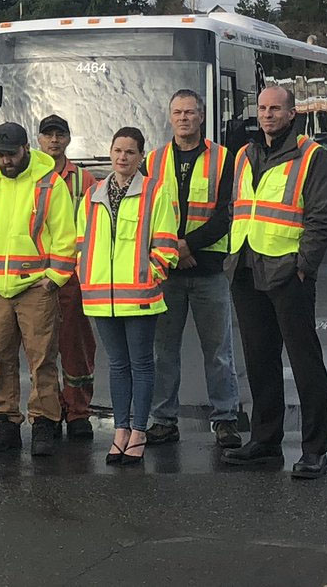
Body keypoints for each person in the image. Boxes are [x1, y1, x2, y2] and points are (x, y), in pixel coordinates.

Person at [221, 85, 327, 479]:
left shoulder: (312, 156)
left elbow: (324, 217)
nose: (268, 115)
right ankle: (265, 441)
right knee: (260, 361)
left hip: (288, 273)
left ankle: (314, 451)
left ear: (292, 114)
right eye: (263, 108)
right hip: (246, 267)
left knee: (305, 363)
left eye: (276, 109)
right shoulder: (245, 154)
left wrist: (304, 265)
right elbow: (234, 207)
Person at [0, 122, 76, 456]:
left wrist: (55, 278)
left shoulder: (49, 184)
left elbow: (65, 235)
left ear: (26, 148)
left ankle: (44, 423)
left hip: (35, 287)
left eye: (11, 154)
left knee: (42, 358)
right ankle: (6, 422)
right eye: (0, 155)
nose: (6, 161)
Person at [143, 90, 242, 450]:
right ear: (169, 117)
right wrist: (174, 250)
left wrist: (187, 245)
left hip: (209, 272)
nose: (184, 118)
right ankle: (164, 420)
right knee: (163, 351)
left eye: (190, 112)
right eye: (177, 112)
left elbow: (226, 213)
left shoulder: (224, 158)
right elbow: (146, 217)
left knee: (218, 351)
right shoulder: (152, 161)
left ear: (202, 117)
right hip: (167, 273)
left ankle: (226, 419)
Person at [76, 127, 179, 465]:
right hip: (101, 296)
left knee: (141, 363)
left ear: (140, 156)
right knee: (117, 365)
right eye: (118, 151)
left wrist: (153, 274)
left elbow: (165, 243)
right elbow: (81, 242)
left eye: (130, 152)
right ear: (111, 152)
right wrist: (84, 273)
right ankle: (120, 430)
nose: (122, 158)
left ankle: (138, 431)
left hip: (139, 293)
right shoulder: (94, 194)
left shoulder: (155, 191)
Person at [36, 113, 98, 440]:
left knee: (76, 347)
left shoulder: (84, 181)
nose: (54, 140)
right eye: (48, 135)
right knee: (41, 348)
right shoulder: (29, 178)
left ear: (68, 139)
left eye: (60, 134)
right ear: (39, 139)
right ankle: (49, 409)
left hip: (73, 276)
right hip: (37, 276)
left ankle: (78, 412)